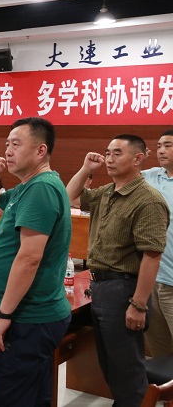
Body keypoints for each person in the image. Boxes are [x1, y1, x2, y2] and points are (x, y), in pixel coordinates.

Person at [66, 134, 168, 407]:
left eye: (117, 153)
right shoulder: (107, 192)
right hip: (101, 287)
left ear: (138, 158)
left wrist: (139, 304)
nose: (109, 159)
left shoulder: (148, 200)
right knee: (110, 365)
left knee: (127, 370)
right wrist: (86, 168)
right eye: (107, 153)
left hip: (124, 290)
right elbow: (69, 197)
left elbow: (152, 256)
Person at [0, 117, 72, 407]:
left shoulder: (41, 188)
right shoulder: (27, 186)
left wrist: (4, 314)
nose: (8, 151)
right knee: (30, 395)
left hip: (26, 316)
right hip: (26, 315)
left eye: (16, 144)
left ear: (40, 150)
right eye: (7, 144)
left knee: (13, 398)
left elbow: (30, 257)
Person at [144, 129, 173, 357]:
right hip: (152, 280)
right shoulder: (151, 176)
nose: (161, 150)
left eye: (168, 145)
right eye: (159, 146)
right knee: (159, 354)